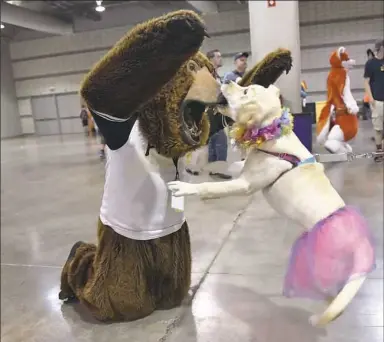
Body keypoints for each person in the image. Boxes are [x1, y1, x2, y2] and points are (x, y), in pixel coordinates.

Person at [224, 52, 249, 161]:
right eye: (241, 60)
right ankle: (242, 160)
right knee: (239, 139)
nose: (244, 62)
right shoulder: (230, 76)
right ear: (235, 62)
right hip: (236, 113)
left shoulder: (249, 75)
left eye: (245, 60)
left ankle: (248, 158)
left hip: (248, 111)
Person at [364, 39, 384, 162]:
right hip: (377, 101)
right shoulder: (370, 64)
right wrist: (371, 98)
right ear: (381, 48)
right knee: (378, 128)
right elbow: (366, 82)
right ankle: (379, 151)